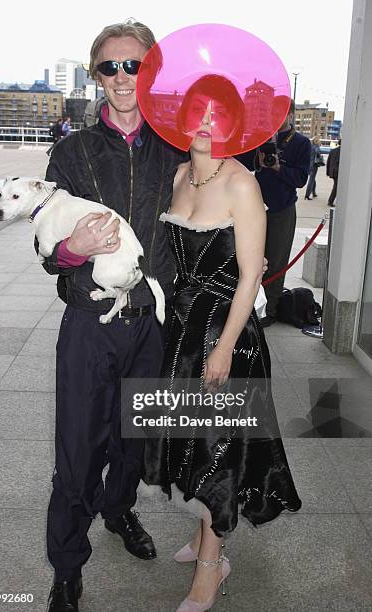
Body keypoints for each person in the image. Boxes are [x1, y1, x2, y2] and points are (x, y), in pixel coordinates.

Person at [40, 20, 187, 612]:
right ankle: (67, 566)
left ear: (152, 70)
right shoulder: (72, 151)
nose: (123, 77)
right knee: (78, 446)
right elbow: (50, 252)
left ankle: (119, 509)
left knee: (136, 436)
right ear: (96, 75)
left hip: (152, 320)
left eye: (135, 65)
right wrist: (77, 250)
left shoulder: (177, 143)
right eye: (111, 67)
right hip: (89, 320)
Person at [142, 91, 302, 611]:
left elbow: (251, 273)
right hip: (184, 331)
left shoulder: (241, 182)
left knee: (218, 450)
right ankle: (201, 536)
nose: (207, 125)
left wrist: (225, 347)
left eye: (218, 116)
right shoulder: (180, 176)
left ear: (234, 125)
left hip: (225, 336)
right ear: (182, 120)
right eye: (198, 114)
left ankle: (212, 565)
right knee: (190, 440)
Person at [255, 99, 311, 327]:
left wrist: (278, 167)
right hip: (255, 208)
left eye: (280, 114)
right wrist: (258, 159)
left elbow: (300, 179)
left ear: (291, 115)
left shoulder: (301, 143)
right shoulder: (260, 139)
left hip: (282, 209)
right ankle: (250, 305)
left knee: (276, 262)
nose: (275, 119)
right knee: (252, 259)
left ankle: (270, 309)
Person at [326, 139, 341, 207]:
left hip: (333, 172)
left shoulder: (333, 150)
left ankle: (331, 200)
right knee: (336, 187)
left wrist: (328, 172)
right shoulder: (342, 151)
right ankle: (330, 201)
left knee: (336, 186)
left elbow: (328, 162)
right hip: (338, 172)